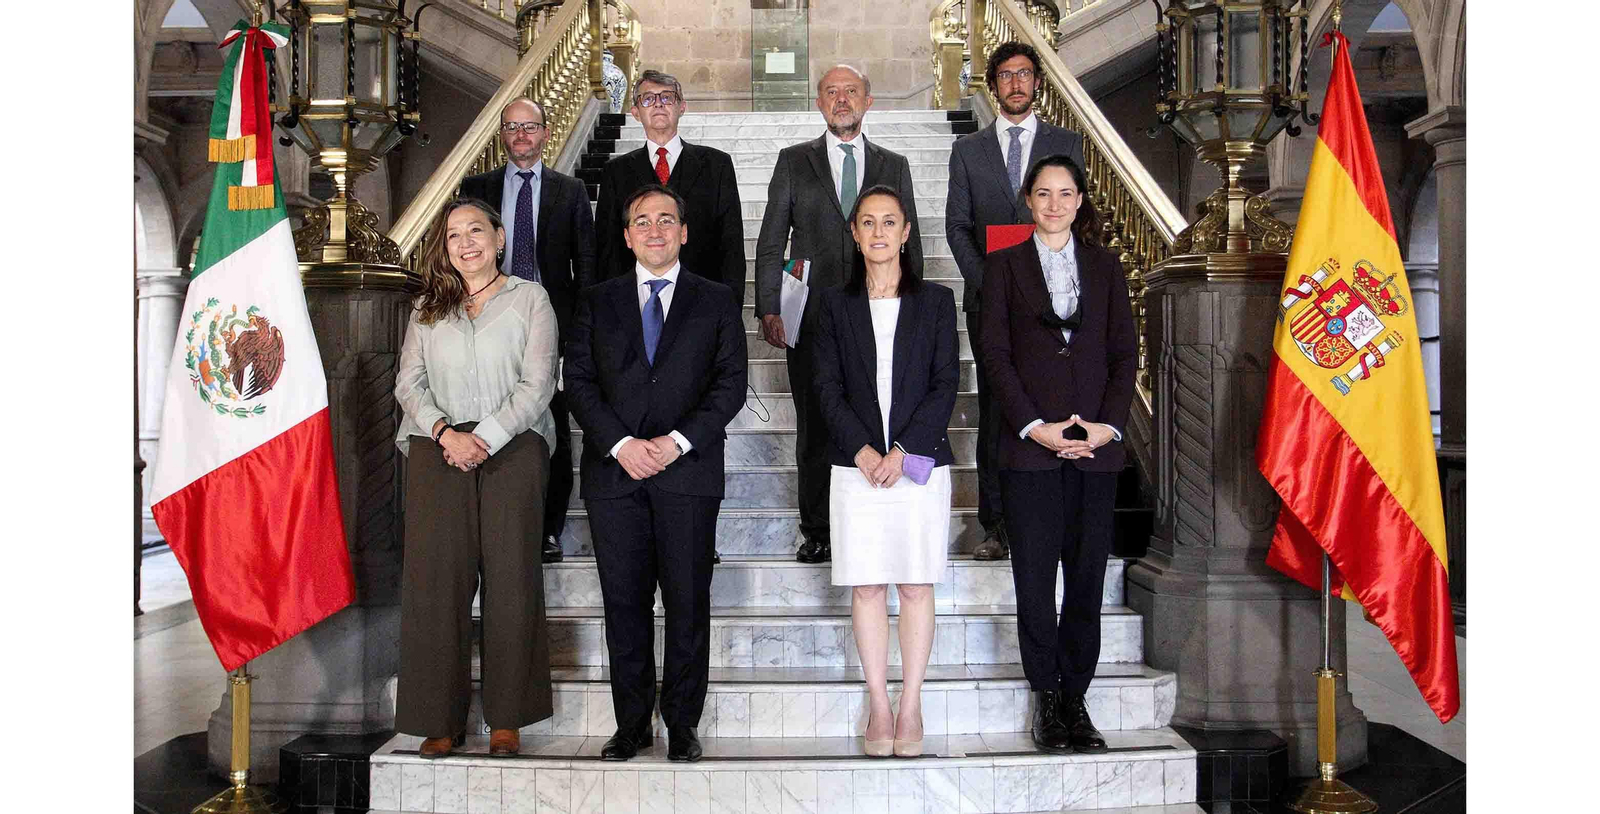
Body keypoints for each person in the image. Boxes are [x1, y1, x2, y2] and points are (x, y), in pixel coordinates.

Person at [564, 184, 748, 763]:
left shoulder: (716, 300)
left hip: (687, 474)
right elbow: (581, 384)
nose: (654, 230)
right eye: (641, 221)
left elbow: (729, 386)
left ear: (684, 231)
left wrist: (674, 442)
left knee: (689, 602)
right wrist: (621, 444)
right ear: (626, 236)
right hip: (614, 477)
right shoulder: (595, 301)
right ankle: (632, 724)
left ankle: (683, 724)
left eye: (666, 219)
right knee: (624, 603)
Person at [392, 198, 561, 759]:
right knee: (436, 586)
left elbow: (537, 385)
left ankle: (508, 719)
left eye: (476, 231)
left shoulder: (530, 299)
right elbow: (407, 384)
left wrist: (483, 436)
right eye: (453, 235)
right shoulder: (426, 308)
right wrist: (445, 434)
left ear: (499, 238)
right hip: (435, 450)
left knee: (511, 580)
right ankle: (437, 719)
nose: (466, 243)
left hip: (513, 447)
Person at [980, 154, 1136, 755]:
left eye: (1064, 193)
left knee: (1088, 581)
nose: (1053, 203)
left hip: (1096, 451)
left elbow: (1124, 354)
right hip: (1031, 454)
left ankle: (1077, 698)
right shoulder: (1005, 266)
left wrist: (1109, 427)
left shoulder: (1106, 266)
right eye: (1042, 193)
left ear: (1079, 200)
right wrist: (1032, 426)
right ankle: (1046, 696)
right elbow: (995, 355)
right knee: (1035, 580)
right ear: (1028, 199)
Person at [754, 64, 924, 565]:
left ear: (868, 101)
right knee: (816, 424)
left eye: (851, 91)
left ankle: (874, 520)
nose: (842, 99)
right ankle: (818, 529)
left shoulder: (894, 164)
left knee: (876, 416)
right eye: (832, 92)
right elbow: (770, 243)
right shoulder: (792, 161)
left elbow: (911, 245)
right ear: (819, 103)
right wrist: (769, 307)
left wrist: (912, 308)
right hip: (810, 316)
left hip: (882, 313)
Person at [812, 185, 958, 758]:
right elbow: (824, 387)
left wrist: (902, 451)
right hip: (856, 469)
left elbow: (946, 383)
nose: (878, 232)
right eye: (867, 223)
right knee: (869, 585)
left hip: (918, 466)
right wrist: (864, 452)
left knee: (916, 584)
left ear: (905, 232)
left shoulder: (937, 302)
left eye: (888, 222)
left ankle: (912, 702)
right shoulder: (833, 304)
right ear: (855, 233)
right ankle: (878, 704)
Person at [946, 41, 1085, 562]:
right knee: (997, 410)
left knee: (1056, 401)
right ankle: (995, 524)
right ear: (993, 84)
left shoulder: (1066, 142)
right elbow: (957, 226)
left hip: (1057, 307)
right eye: (1005, 76)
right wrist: (991, 284)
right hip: (988, 303)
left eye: (1025, 74)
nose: (1016, 83)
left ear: (1037, 82)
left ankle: (1052, 520)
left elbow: (1076, 215)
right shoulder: (968, 150)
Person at [460, 96, 597, 565]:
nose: (522, 135)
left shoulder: (570, 191)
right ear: (503, 134)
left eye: (530, 127)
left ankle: (547, 530)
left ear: (545, 132)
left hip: (548, 325)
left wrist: (578, 337)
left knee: (550, 427)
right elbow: (461, 254)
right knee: (486, 417)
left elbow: (589, 268)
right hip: (488, 322)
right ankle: (490, 526)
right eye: (513, 127)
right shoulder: (476, 187)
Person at [594, 70, 746, 302]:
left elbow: (731, 244)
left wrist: (731, 306)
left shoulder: (717, 165)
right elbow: (608, 249)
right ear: (635, 112)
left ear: (681, 107)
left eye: (667, 97)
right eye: (648, 99)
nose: (658, 104)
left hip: (703, 301)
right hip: (637, 301)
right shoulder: (616, 172)